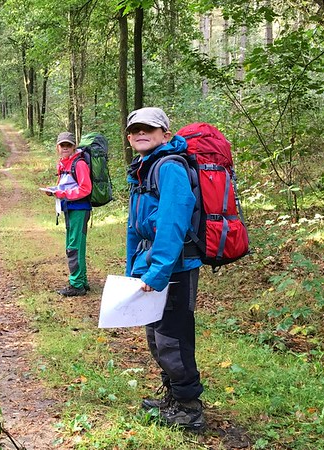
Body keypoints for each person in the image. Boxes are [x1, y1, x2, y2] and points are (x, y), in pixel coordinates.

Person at [124, 107, 205, 432]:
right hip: (155, 267)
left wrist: (157, 272)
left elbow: (172, 223)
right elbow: (135, 227)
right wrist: (134, 269)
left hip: (176, 269)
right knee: (157, 337)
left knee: (173, 339)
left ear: (165, 135)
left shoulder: (169, 167)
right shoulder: (145, 168)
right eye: (135, 130)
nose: (141, 133)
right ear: (130, 137)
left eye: (149, 128)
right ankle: (173, 397)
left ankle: (190, 409)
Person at [42, 131, 92, 297]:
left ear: (74, 146)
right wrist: (54, 191)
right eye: (62, 145)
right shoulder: (64, 164)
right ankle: (82, 281)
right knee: (76, 245)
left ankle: (76, 285)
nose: (65, 148)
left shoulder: (79, 164)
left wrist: (62, 194)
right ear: (57, 147)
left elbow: (86, 189)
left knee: (74, 246)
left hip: (79, 209)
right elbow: (66, 186)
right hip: (70, 208)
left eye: (68, 145)